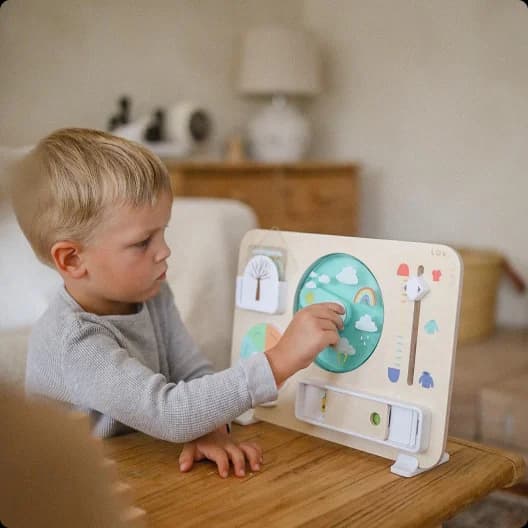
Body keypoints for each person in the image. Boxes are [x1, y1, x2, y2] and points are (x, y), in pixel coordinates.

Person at [10, 128, 344, 478]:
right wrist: (278, 360)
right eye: (143, 242)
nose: (165, 251)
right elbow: (168, 412)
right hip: (74, 485)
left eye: (163, 231)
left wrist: (212, 427)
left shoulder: (150, 294)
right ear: (72, 260)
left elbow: (192, 371)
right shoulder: (73, 342)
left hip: (140, 464)